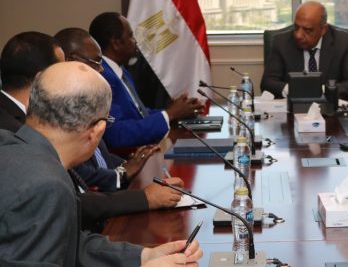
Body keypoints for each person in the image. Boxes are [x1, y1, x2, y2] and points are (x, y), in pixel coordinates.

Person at [0, 61, 203, 267]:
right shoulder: (45, 185)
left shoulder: (13, 148)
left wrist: (144, 257)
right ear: (97, 130)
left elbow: (66, 244)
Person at [0, 31, 185, 231]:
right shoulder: (11, 134)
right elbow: (70, 202)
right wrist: (144, 198)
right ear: (41, 80)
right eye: (62, 66)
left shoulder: (37, 116)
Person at [55, 27, 160, 192]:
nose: (102, 69)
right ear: (71, 61)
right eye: (96, 62)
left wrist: (128, 163)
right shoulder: (57, 108)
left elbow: (100, 157)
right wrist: (121, 174)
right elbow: (78, 171)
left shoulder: (83, 99)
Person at [89, 12, 202, 149]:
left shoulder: (120, 71)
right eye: (131, 36)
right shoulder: (103, 78)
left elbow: (139, 114)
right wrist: (170, 114)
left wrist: (173, 112)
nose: (135, 41)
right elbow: (118, 134)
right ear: (116, 43)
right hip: (127, 157)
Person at [260, 1, 348, 99]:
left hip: (329, 108)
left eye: (307, 30)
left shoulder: (342, 42)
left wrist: (322, 90)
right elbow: (267, 82)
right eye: (296, 27)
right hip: (293, 108)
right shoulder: (281, 42)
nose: (298, 35)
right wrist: (292, 90)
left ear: (323, 29)